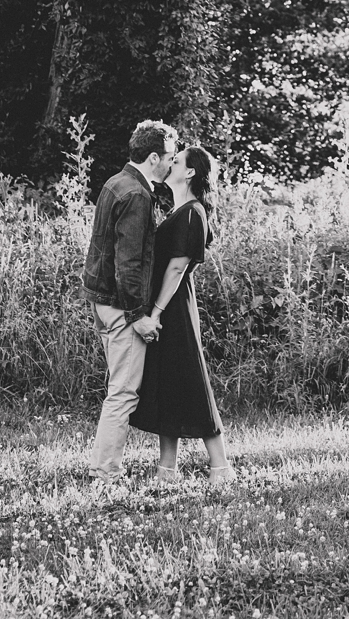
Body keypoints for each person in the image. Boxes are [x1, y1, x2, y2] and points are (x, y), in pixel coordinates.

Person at [129, 143, 234, 486]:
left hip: (172, 307)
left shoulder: (193, 213)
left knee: (191, 380)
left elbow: (177, 268)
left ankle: (220, 467)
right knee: (168, 383)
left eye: (176, 161)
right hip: (166, 305)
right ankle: (166, 470)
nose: (169, 164)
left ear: (189, 172)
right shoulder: (181, 210)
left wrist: (155, 313)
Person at [82, 118, 177, 485]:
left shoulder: (115, 182)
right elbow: (128, 262)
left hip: (103, 300)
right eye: (169, 156)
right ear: (154, 157)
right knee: (123, 391)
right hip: (121, 306)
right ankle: (105, 473)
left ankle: (102, 467)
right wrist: (139, 315)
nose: (171, 163)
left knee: (118, 387)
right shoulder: (137, 194)